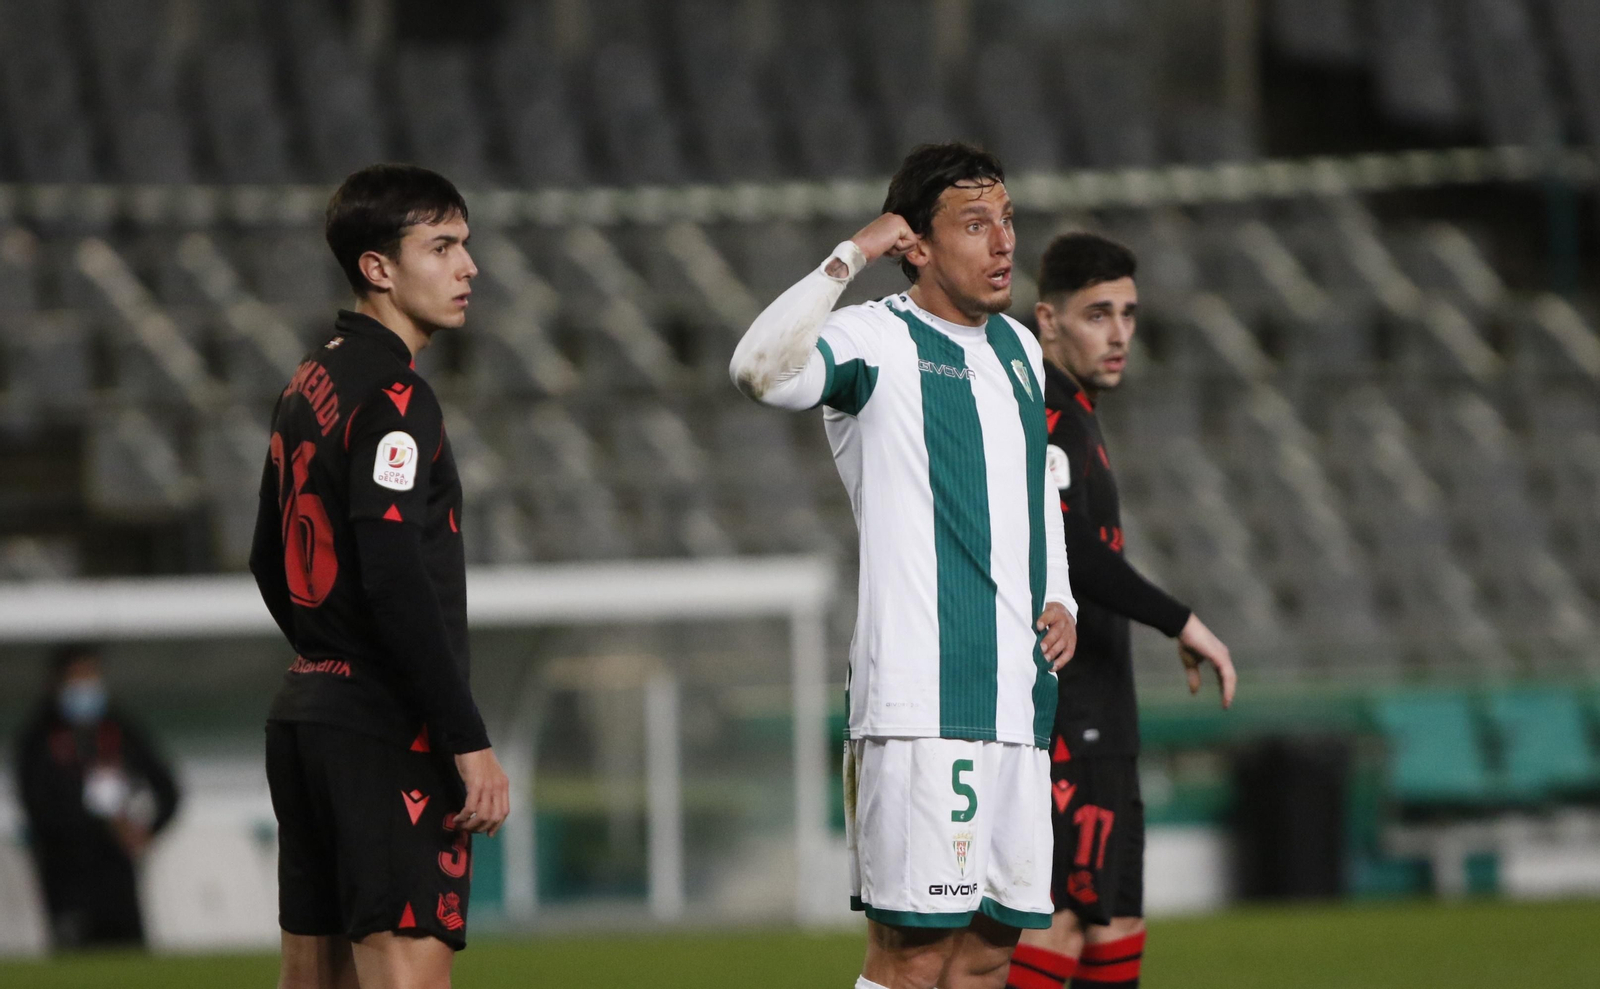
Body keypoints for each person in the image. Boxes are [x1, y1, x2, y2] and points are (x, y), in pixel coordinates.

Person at [730, 142, 1079, 989]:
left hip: (1017, 697)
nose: (1003, 244)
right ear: (914, 243)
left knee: (992, 949)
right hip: (923, 702)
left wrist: (1061, 592)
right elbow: (756, 370)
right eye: (973, 224)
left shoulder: (1021, 353)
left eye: (1007, 221)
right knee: (913, 955)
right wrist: (852, 253)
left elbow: (1039, 483)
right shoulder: (872, 339)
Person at [249, 163, 510, 989]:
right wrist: (465, 738)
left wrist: (329, 651)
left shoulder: (309, 380)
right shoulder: (396, 396)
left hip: (306, 714)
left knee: (312, 979)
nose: (468, 266)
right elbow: (394, 570)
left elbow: (267, 553)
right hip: (382, 730)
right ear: (378, 268)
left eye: (465, 244)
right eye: (442, 246)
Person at [1004, 233, 1237, 989]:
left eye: (1129, 314)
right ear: (1047, 319)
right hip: (1073, 714)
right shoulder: (1042, 411)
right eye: (1097, 313)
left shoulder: (1077, 412)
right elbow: (1071, 547)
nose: (1119, 334)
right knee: (1065, 917)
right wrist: (1180, 618)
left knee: (1115, 921)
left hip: (1108, 710)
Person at [13, 643, 180, 950]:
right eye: (78, 676)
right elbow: (36, 806)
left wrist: (145, 830)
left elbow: (167, 788)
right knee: (76, 959)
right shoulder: (39, 736)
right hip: (65, 872)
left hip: (117, 869)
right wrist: (93, 826)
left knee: (129, 958)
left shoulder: (118, 727)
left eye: (92, 675)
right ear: (58, 681)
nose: (87, 685)